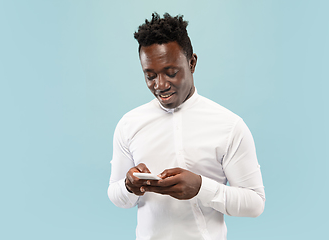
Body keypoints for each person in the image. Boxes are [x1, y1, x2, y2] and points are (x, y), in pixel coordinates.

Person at [108, 13, 265, 240]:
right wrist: (129, 186)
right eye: (150, 76)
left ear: (192, 63)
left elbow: (254, 203)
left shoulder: (229, 126)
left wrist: (201, 188)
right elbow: (116, 195)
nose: (160, 85)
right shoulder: (129, 124)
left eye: (171, 73)